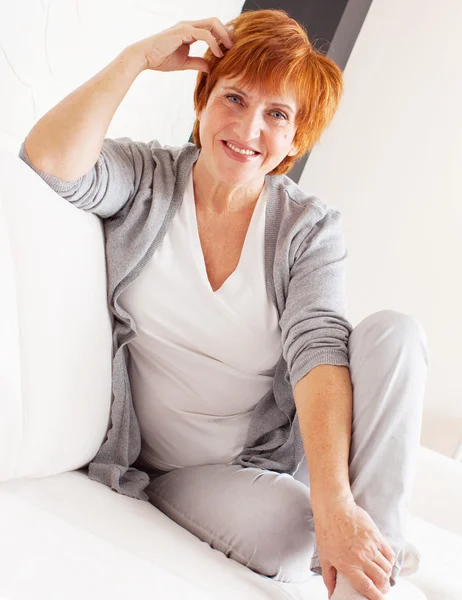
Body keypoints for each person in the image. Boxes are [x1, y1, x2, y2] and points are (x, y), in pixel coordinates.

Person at [18, 9, 429, 600]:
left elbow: (319, 352)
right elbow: (50, 161)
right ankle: (360, 540)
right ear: (203, 101)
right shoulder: (148, 179)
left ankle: (368, 574)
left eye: (277, 114)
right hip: (184, 472)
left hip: (280, 453)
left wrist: (337, 501)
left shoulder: (306, 228)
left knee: (396, 333)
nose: (249, 128)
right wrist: (137, 58)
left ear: (295, 137)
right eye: (234, 98)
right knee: (294, 532)